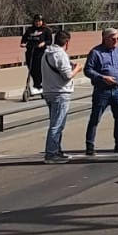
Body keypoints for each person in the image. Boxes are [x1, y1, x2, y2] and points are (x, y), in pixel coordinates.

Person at [82, 29, 118, 157]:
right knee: (95, 118)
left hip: (117, 89)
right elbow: (88, 70)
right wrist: (102, 77)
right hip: (102, 90)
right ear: (105, 38)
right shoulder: (96, 52)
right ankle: (90, 145)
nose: (116, 41)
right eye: (113, 39)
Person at [39, 29, 81, 163]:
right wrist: (77, 69)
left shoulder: (47, 53)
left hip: (49, 90)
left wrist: (70, 65)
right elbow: (67, 75)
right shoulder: (61, 54)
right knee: (57, 124)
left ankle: (56, 149)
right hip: (60, 92)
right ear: (67, 42)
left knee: (56, 122)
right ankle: (51, 154)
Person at [20, 14, 51, 100]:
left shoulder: (46, 30)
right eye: (36, 21)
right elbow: (24, 38)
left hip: (40, 53)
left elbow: (49, 40)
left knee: (39, 69)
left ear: (42, 21)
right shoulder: (30, 30)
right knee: (31, 69)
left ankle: (40, 85)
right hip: (30, 52)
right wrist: (23, 43)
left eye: (39, 21)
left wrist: (43, 43)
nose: (38, 23)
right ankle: (36, 86)